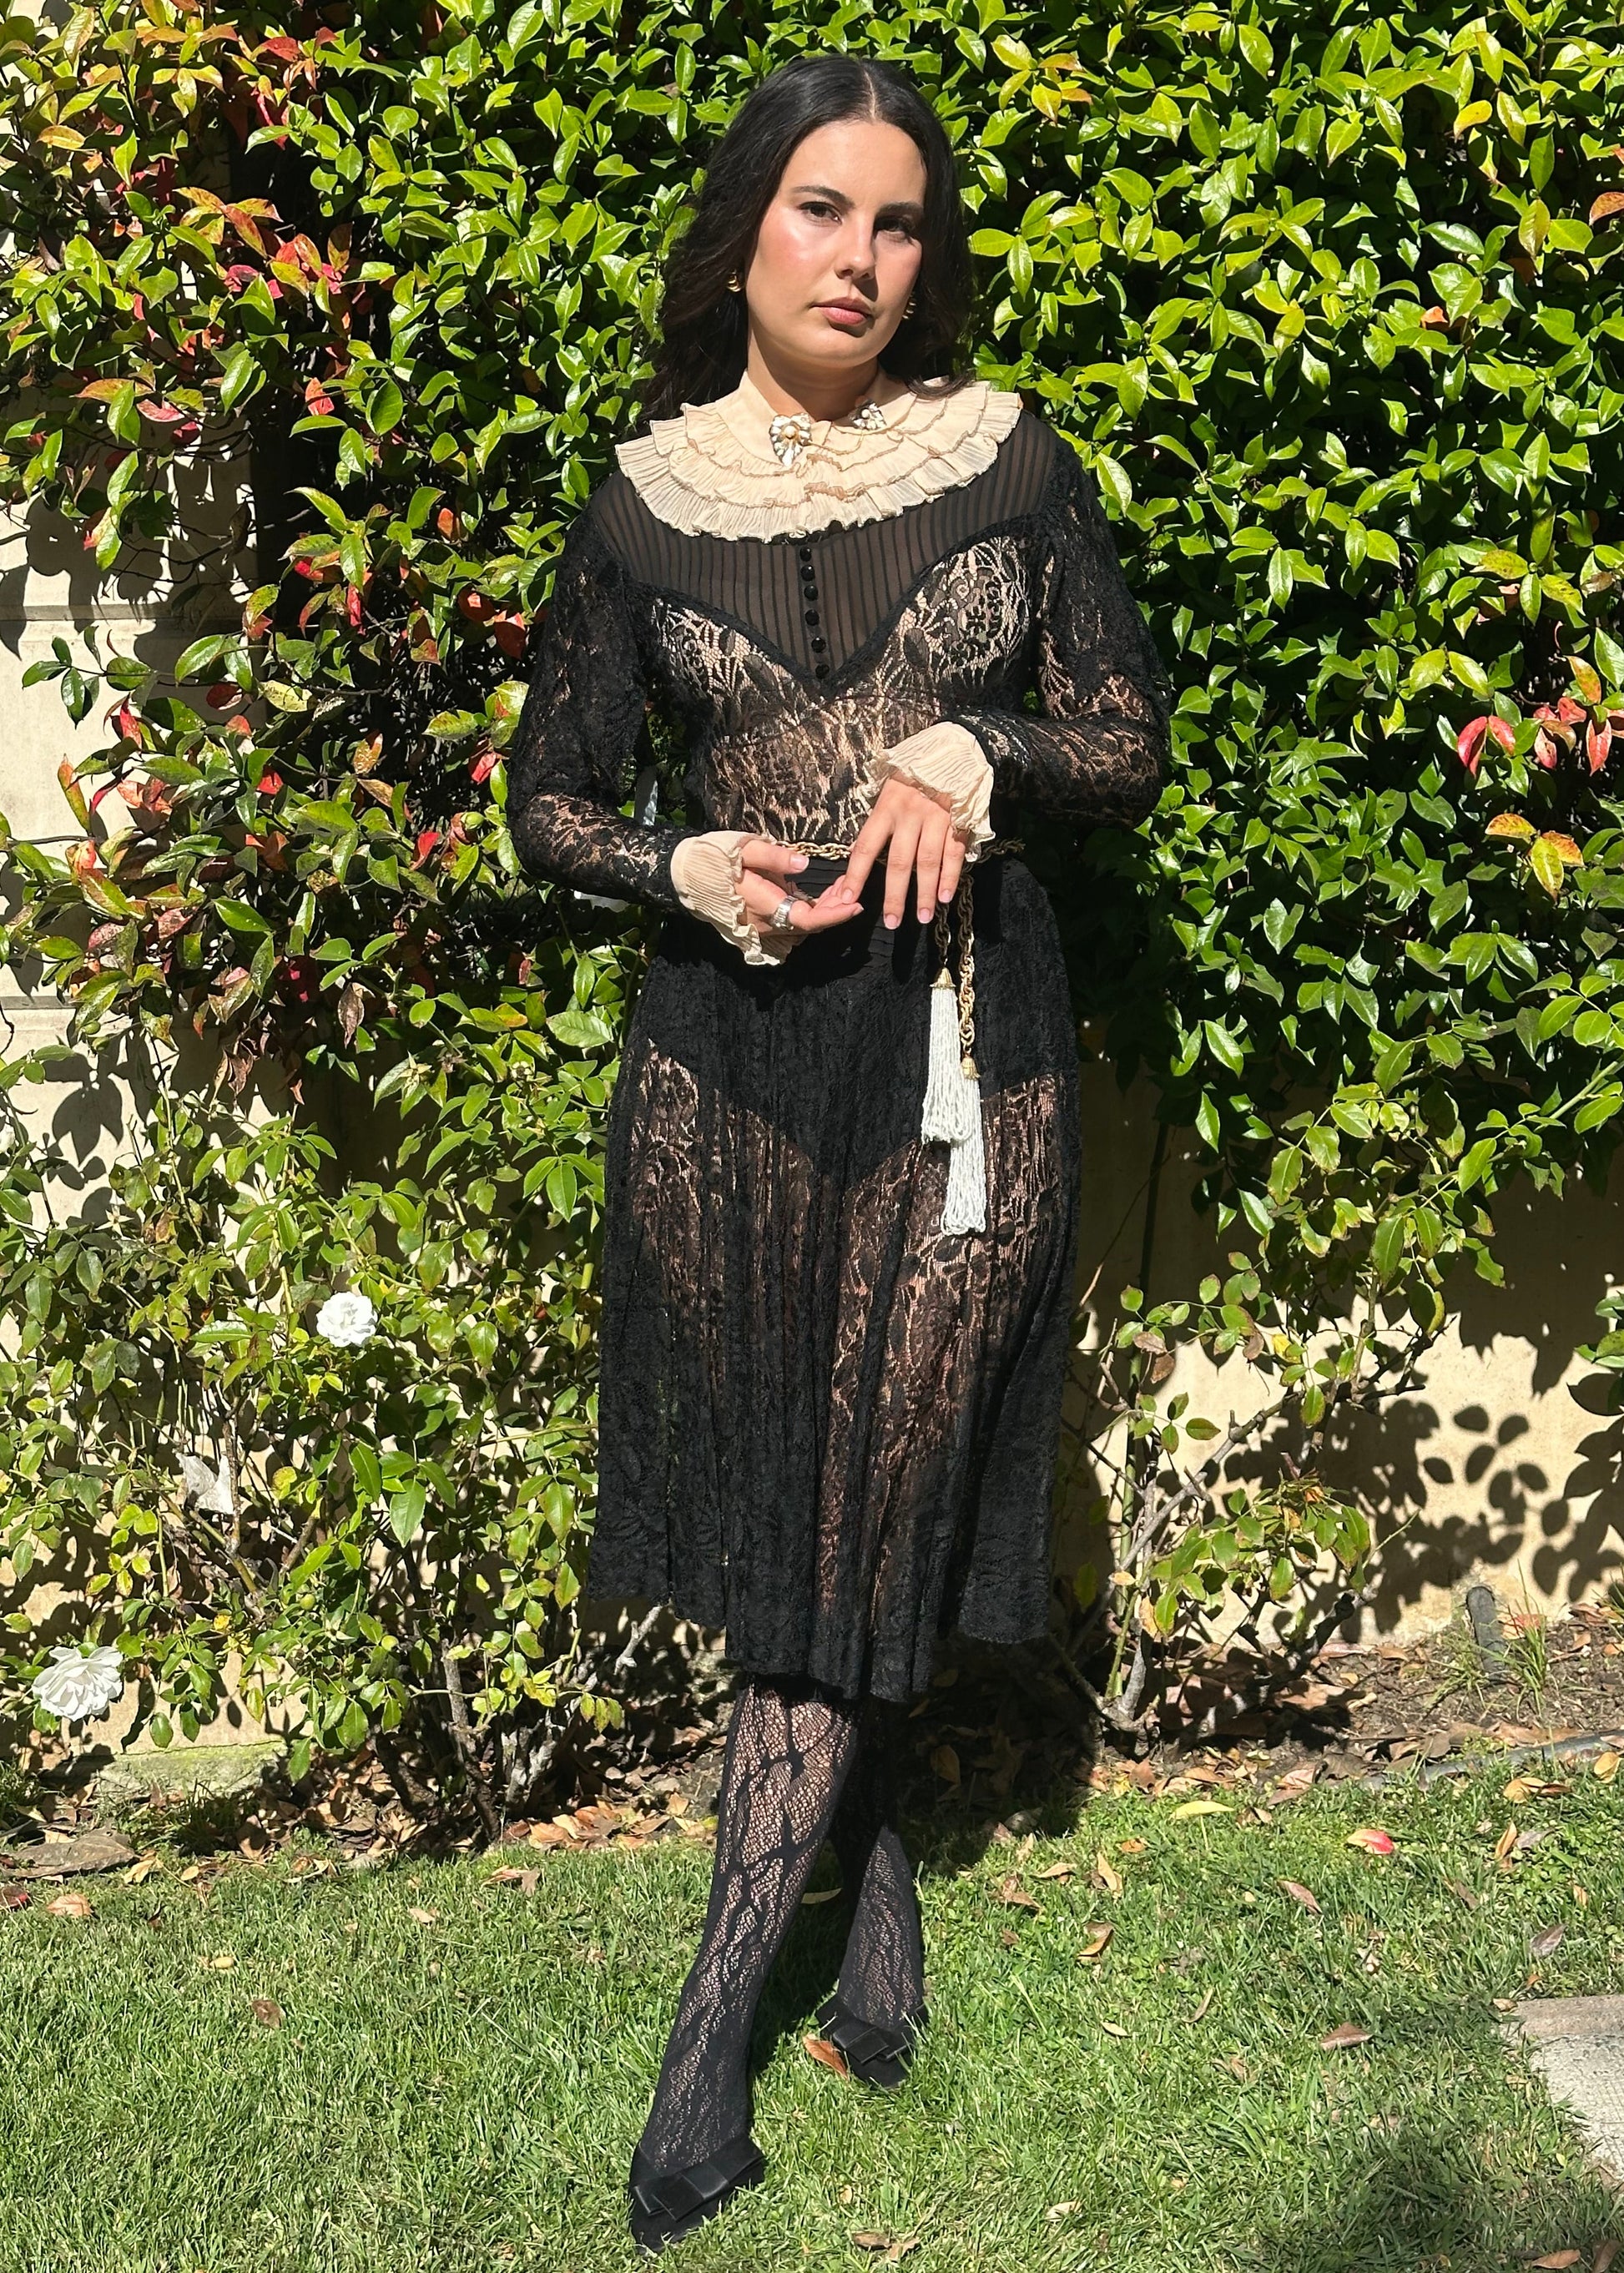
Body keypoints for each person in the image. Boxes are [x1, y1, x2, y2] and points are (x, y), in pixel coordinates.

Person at [507, 50, 1171, 2255]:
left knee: (871, 1500)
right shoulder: (641, 498)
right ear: (742, 235)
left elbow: (1122, 734)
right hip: (724, 1075)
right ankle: (861, 1874)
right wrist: (674, 858)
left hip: (965, 1071)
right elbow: (551, 801)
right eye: (819, 213)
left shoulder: (1001, 466)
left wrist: (977, 746)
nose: (861, 260)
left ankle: (702, 2052)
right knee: (796, 1523)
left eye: (895, 222)